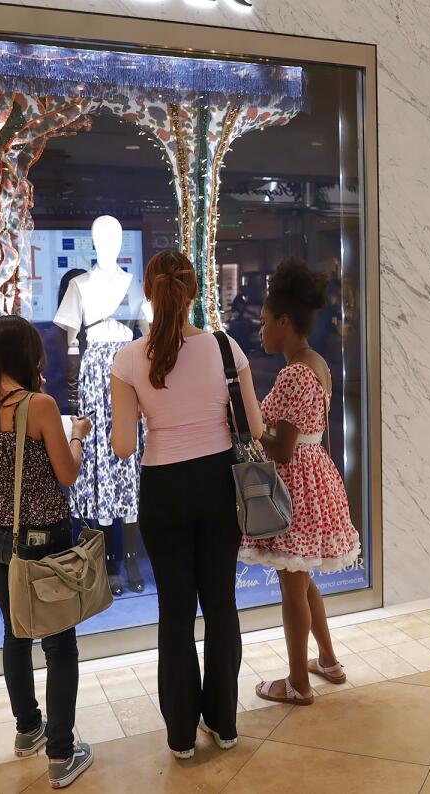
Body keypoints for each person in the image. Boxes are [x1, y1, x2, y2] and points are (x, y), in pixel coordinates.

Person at [110, 250, 264, 759]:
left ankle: (180, 735)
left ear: (149, 293)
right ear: (194, 291)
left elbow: (125, 445)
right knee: (220, 604)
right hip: (219, 484)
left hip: (163, 488)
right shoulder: (225, 348)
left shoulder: (130, 358)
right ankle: (224, 725)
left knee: (175, 611)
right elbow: (256, 429)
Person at [0, 315, 95, 789]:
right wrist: (78, 435)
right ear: (27, 357)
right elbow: (67, 472)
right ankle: (60, 755)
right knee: (58, 643)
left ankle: (28, 729)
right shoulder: (40, 406)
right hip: (40, 539)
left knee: (15, 631)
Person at [240, 258, 361, 706]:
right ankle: (327, 659)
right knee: (303, 578)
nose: (261, 331)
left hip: (295, 488)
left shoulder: (293, 372)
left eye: (266, 322)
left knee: (293, 584)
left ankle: (297, 683)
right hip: (317, 479)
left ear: (285, 321)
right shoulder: (318, 362)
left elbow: (283, 447)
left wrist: (252, 427)